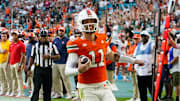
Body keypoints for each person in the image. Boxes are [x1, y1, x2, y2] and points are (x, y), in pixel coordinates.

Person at [65, 9, 144, 101]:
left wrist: (133, 61)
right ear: (80, 23)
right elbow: (67, 70)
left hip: (103, 84)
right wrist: (78, 70)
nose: (90, 24)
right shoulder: (76, 43)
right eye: (86, 21)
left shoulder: (102, 39)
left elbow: (113, 56)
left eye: (92, 21)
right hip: (87, 87)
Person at [27, 30, 60, 101]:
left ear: (47, 37)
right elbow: (32, 57)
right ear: (39, 37)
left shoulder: (52, 45)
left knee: (47, 89)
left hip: (48, 69)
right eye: (42, 37)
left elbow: (58, 56)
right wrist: (29, 68)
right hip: (38, 69)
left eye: (45, 37)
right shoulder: (35, 46)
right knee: (36, 88)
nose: (43, 38)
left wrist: (50, 56)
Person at [133, 31, 154, 101]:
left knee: (153, 92)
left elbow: (156, 47)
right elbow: (134, 57)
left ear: (148, 37)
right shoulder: (138, 46)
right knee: (142, 93)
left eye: (145, 36)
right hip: (140, 73)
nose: (143, 37)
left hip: (149, 73)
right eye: (142, 36)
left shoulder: (151, 44)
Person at [52, 26, 72, 99]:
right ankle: (58, 93)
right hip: (55, 62)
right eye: (59, 31)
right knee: (55, 78)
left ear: (64, 32)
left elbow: (69, 52)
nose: (60, 32)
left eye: (62, 31)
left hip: (63, 62)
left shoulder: (67, 40)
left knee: (65, 78)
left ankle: (69, 93)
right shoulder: (55, 40)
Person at [6, 30, 26, 97]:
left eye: (15, 35)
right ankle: (14, 91)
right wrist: (7, 63)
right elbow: (9, 54)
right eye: (13, 35)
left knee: (19, 78)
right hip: (11, 63)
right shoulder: (11, 44)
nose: (14, 36)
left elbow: (22, 55)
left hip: (17, 62)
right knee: (13, 78)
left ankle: (21, 92)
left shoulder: (21, 44)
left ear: (18, 35)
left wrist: (20, 65)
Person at [126, 34, 141, 101]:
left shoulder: (140, 47)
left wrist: (132, 56)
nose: (135, 40)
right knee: (134, 84)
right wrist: (132, 56)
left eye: (136, 39)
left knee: (138, 84)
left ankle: (138, 97)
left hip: (137, 67)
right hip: (131, 67)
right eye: (134, 39)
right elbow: (128, 55)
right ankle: (134, 97)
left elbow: (137, 56)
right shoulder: (132, 47)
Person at [168, 33, 180, 101]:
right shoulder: (176, 46)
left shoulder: (177, 47)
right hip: (175, 68)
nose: (177, 38)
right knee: (176, 84)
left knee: (177, 84)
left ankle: (177, 98)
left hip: (177, 67)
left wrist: (170, 63)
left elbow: (176, 58)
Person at [0, 30, 11, 96]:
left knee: (8, 77)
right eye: (2, 36)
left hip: (6, 62)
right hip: (0, 61)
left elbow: (4, 51)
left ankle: (9, 90)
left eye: (4, 36)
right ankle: (4, 90)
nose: (3, 37)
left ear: (7, 36)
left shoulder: (8, 43)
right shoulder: (1, 43)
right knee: (1, 78)